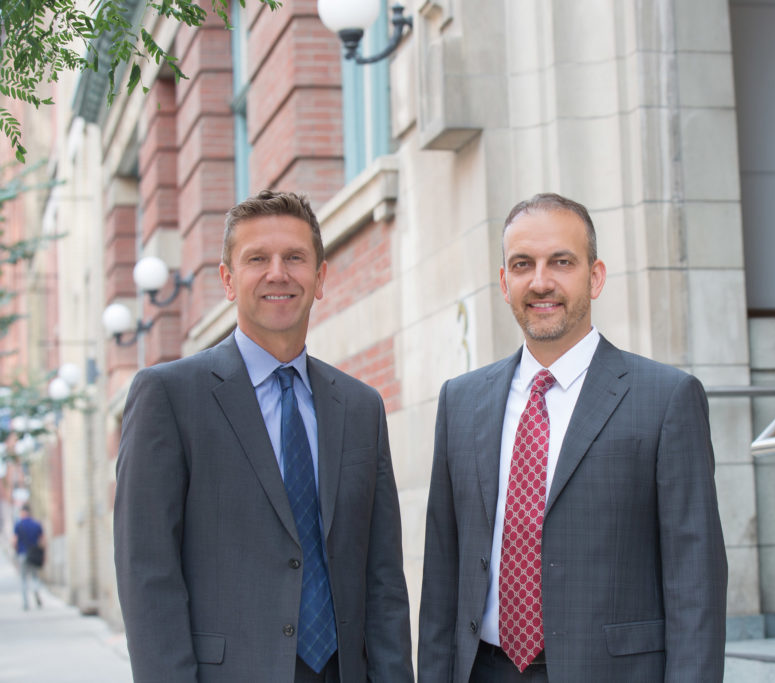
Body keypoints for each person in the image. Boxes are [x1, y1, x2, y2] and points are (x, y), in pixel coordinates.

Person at [418, 193, 728, 682]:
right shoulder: (461, 402)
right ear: (504, 282)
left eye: (561, 262)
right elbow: (441, 575)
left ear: (595, 276)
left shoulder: (666, 399)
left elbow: (696, 585)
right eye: (523, 265)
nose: (541, 282)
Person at [114, 190, 413, 683]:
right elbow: (147, 575)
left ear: (319, 278)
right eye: (258, 259)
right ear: (228, 280)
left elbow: (383, 577)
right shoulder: (169, 396)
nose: (278, 273)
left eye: (295, 258)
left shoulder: (360, 407)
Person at [13, 504, 44, 610]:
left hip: (22, 554)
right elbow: (42, 540)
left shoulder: (18, 524)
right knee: (35, 577)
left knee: (23, 579)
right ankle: (36, 594)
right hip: (34, 554)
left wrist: (16, 554)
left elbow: (15, 541)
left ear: (23, 513)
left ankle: (26, 603)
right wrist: (42, 554)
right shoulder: (36, 524)